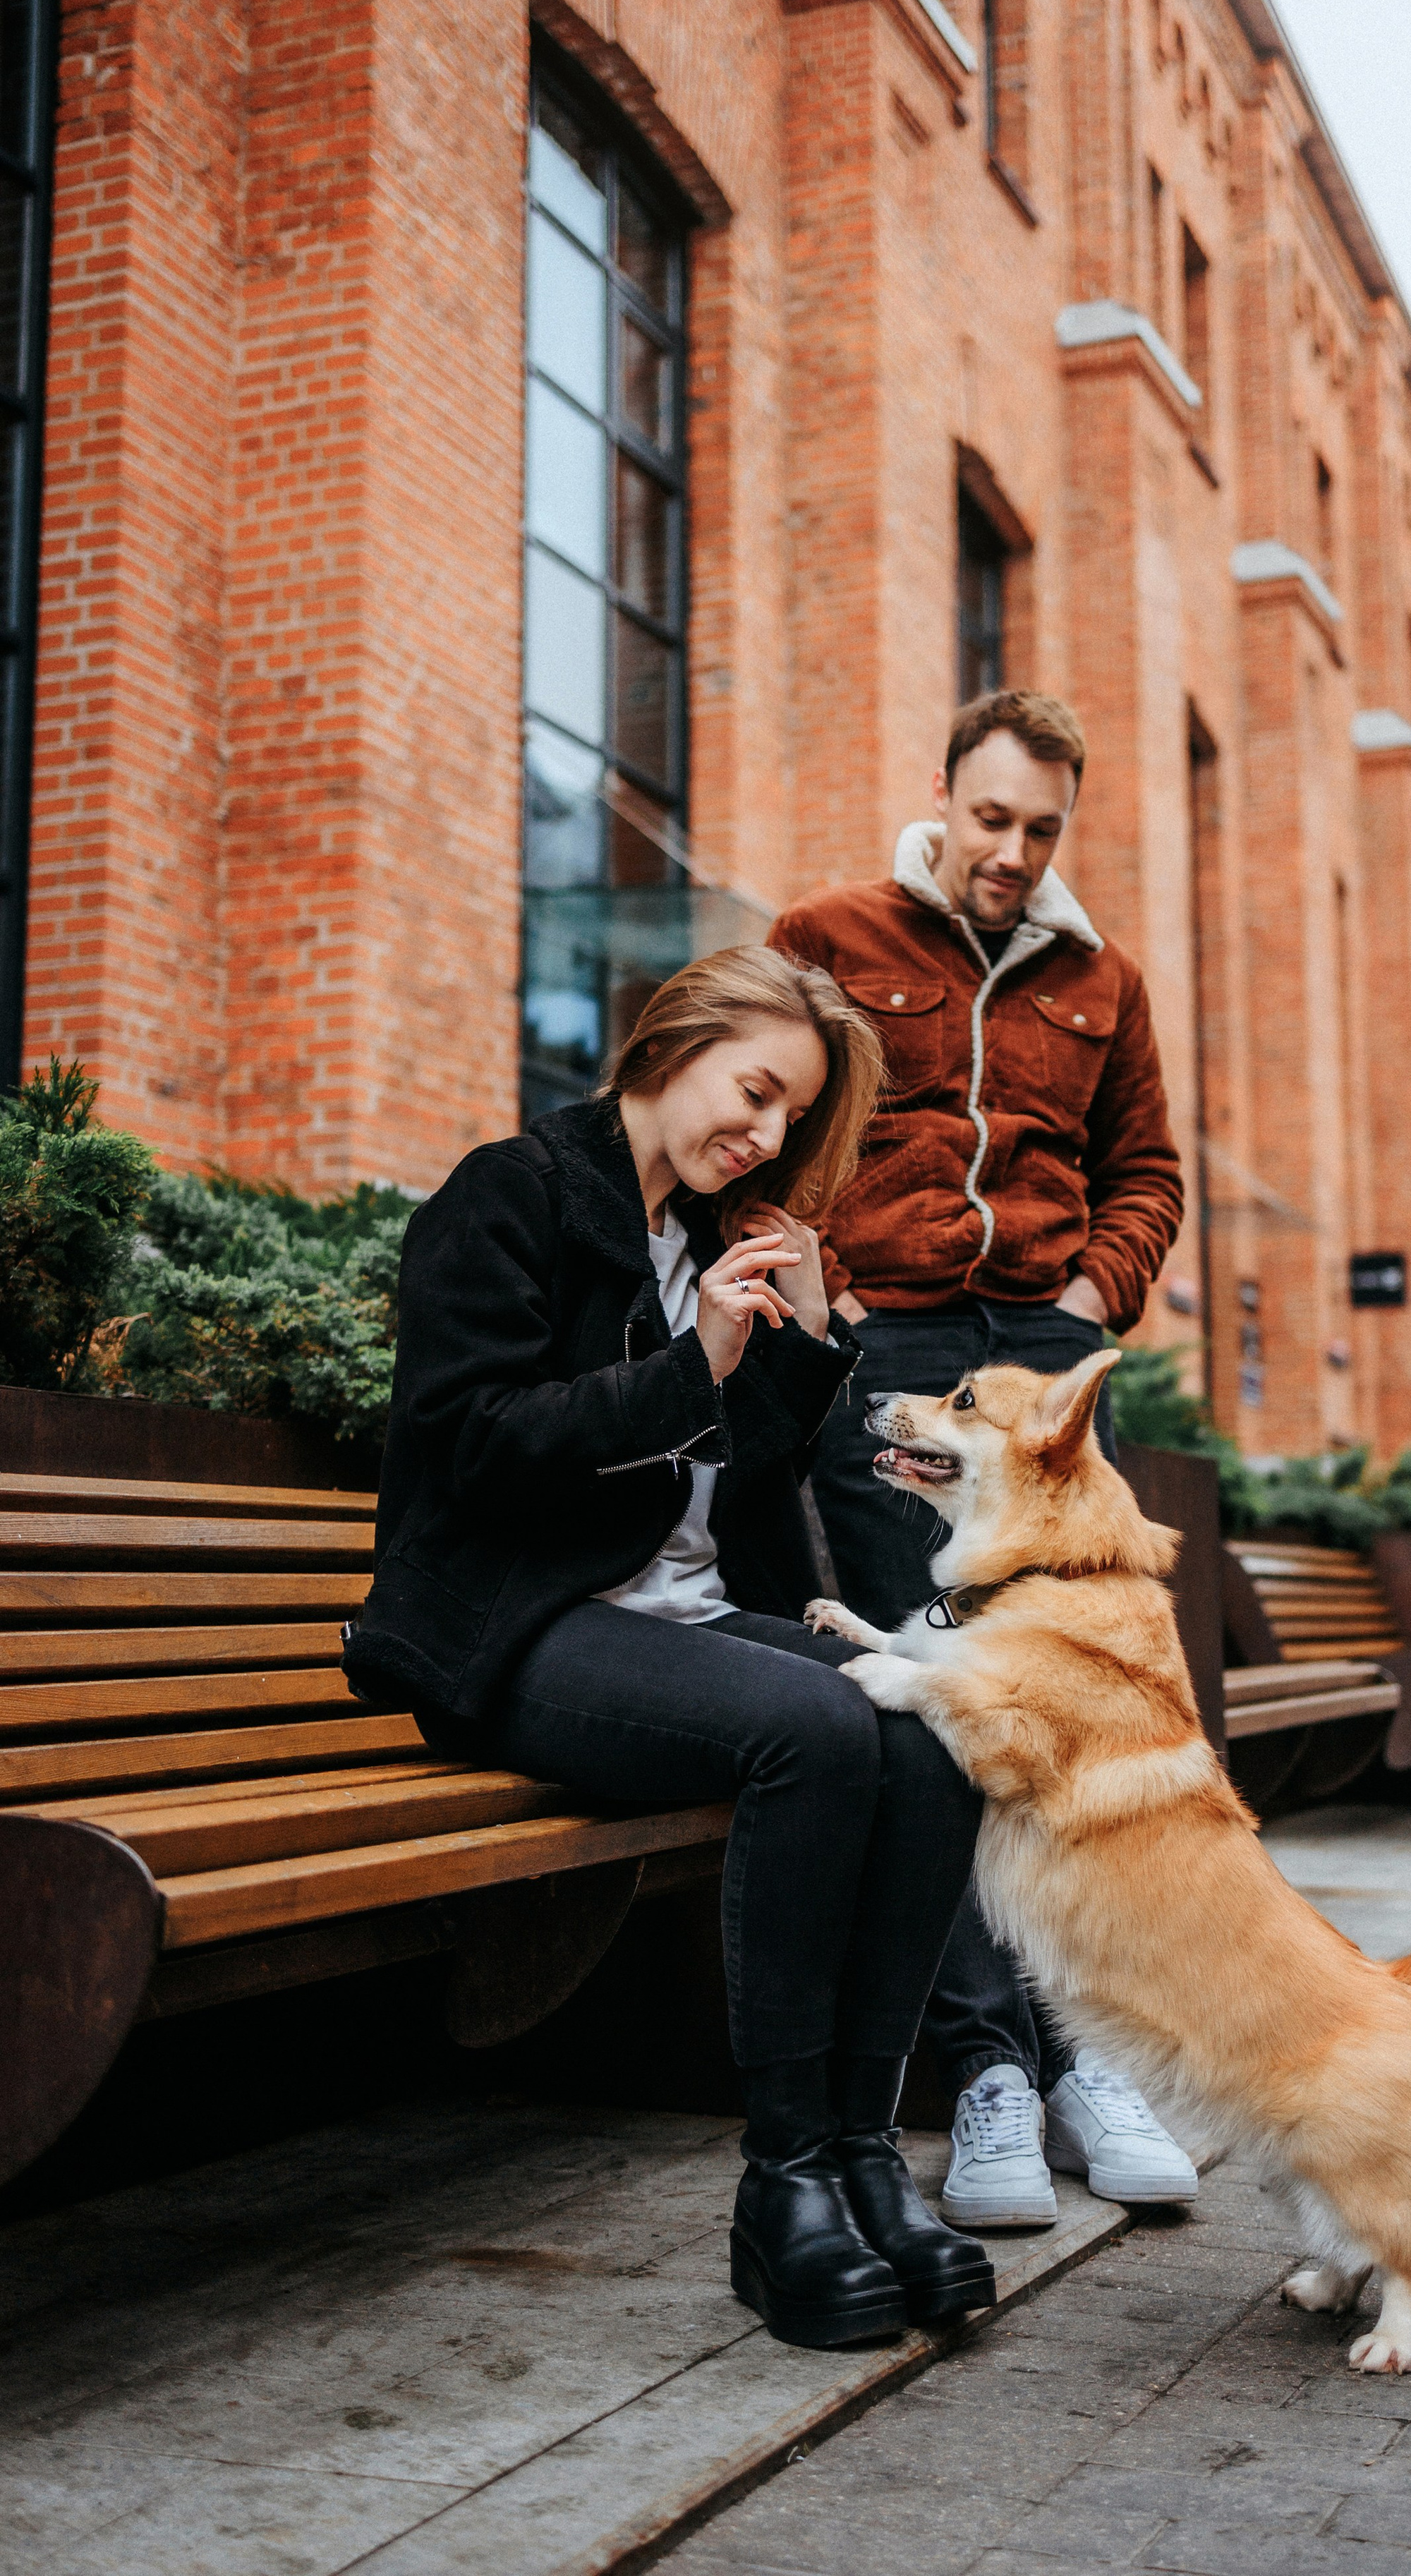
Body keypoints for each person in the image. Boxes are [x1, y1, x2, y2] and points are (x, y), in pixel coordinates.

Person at [344, 945, 994, 2352]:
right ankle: (782, 2187)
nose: (761, 1138)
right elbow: (468, 1452)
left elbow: (731, 1495)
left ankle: (864, 2157)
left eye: (785, 1119)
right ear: (672, 1044)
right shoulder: (504, 1197)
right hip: (518, 1635)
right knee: (815, 1733)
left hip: (678, 1626)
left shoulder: (706, 1244)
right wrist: (685, 1364)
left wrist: (804, 1351)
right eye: (753, 1093)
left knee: (938, 1724)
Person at [770, 688, 1201, 2227]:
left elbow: (1144, 1169)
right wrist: (822, 1288)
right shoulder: (827, 934)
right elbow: (765, 1124)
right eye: (991, 818)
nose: (1011, 852)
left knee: (1059, 1708)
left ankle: (1085, 2050)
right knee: (946, 1697)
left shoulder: (1106, 980)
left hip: (1040, 1381)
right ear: (942, 795)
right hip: (889, 1362)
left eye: (1039, 830)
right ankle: (987, 2075)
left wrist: (1091, 1302)